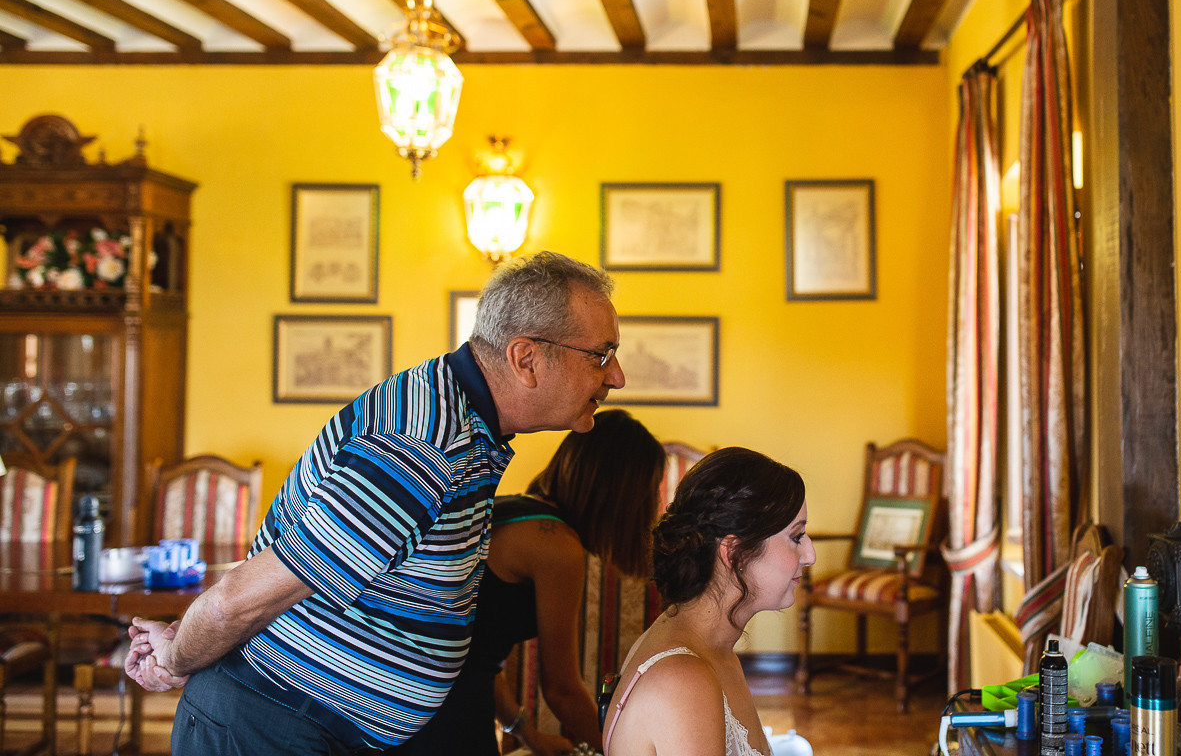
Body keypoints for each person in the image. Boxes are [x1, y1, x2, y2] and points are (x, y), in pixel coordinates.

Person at [125, 250, 627, 755]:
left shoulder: (462, 419)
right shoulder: (422, 446)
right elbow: (235, 603)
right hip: (270, 725)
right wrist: (174, 657)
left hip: (308, 725)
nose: (616, 376)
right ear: (526, 359)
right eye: (601, 355)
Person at [393, 409, 665, 756]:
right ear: (623, 494)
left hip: (407, 695)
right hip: (444, 709)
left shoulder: (516, 510)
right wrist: (622, 751)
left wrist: (524, 732)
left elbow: (476, 651)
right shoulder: (558, 548)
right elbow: (562, 690)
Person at [602, 447, 815, 756]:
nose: (810, 556)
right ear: (734, 553)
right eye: (796, 537)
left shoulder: (709, 649)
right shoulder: (684, 680)